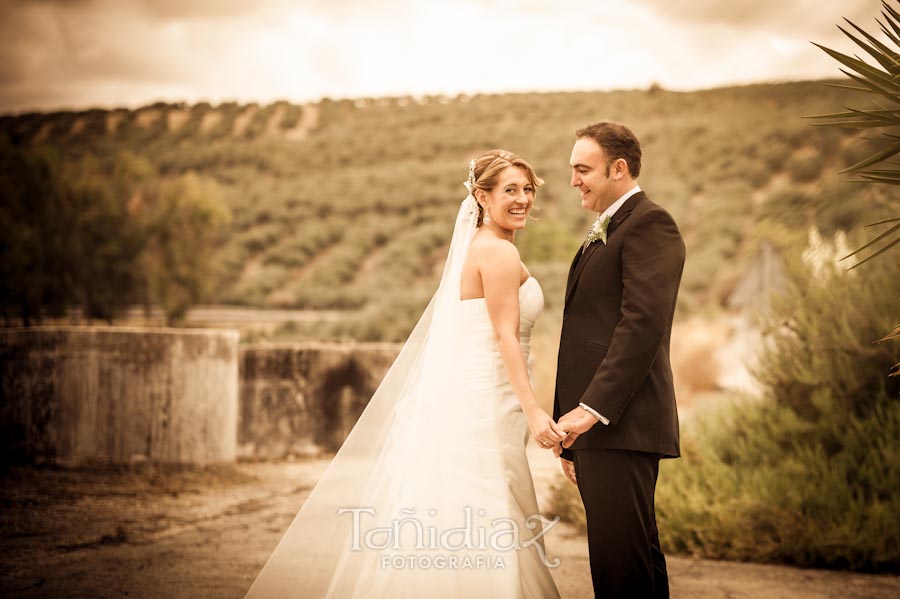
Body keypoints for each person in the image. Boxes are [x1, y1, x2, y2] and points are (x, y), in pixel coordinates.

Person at [244, 150, 563, 598]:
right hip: (491, 400)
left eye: (528, 189)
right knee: (490, 505)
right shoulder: (497, 254)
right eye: (510, 189)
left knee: (476, 506)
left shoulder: (481, 248)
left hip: (480, 397)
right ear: (481, 196)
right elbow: (506, 338)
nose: (523, 199)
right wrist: (534, 410)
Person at [553, 121, 686, 599]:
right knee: (632, 562)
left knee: (620, 570)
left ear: (619, 168)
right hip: (599, 431)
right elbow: (584, 336)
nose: (574, 181)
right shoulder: (609, 228)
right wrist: (570, 435)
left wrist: (590, 411)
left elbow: (642, 325)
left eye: (583, 169)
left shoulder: (650, 223)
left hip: (620, 424)